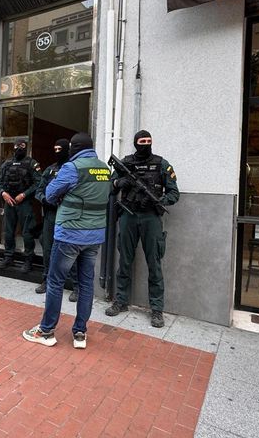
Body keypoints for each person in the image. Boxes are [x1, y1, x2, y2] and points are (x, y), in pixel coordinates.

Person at [23, 133, 110, 349]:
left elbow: (51, 194)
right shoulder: (104, 169)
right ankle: (80, 332)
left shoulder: (72, 168)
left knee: (55, 282)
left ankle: (46, 330)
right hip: (94, 235)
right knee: (86, 284)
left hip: (70, 234)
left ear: (75, 148)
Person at [105, 130, 179, 328]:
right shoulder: (126, 162)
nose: (145, 144)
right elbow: (110, 185)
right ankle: (120, 301)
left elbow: (174, 193)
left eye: (148, 141)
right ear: (135, 143)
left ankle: (156, 309)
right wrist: (122, 181)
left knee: (154, 263)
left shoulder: (161, 164)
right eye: (141, 141)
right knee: (125, 261)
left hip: (151, 218)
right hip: (129, 215)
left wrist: (158, 201)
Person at [34, 139, 78, 302]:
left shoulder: (74, 169)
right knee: (47, 248)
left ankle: (76, 286)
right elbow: (39, 190)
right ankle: (47, 279)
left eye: (61, 149)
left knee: (71, 250)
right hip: (51, 216)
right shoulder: (50, 170)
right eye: (55, 148)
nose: (57, 151)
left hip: (68, 215)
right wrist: (44, 199)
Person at [0, 138, 41, 272]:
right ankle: (8, 257)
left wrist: (24, 194)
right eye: (17, 145)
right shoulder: (7, 163)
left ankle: (28, 260)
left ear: (26, 147)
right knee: (8, 232)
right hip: (9, 202)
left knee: (27, 232)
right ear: (13, 147)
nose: (19, 148)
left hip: (24, 202)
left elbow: (38, 182)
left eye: (22, 146)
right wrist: (3, 193)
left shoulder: (31, 164)